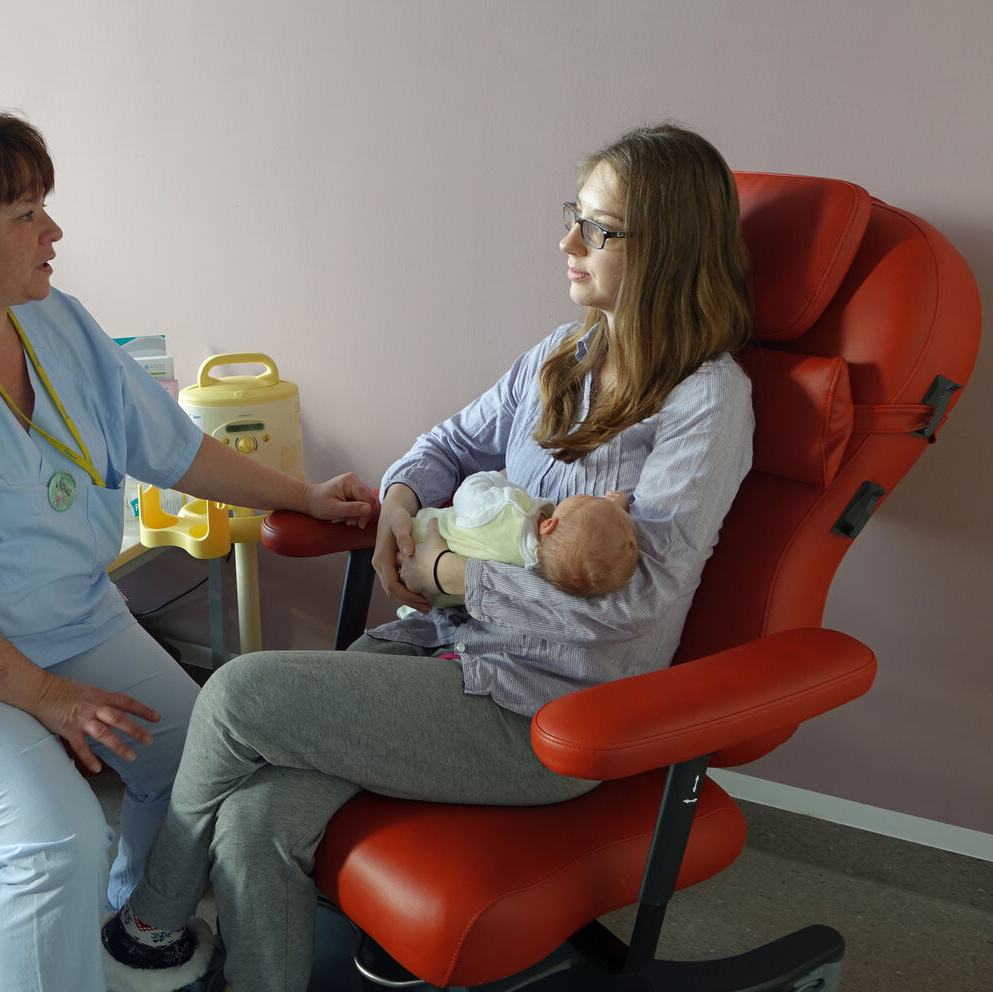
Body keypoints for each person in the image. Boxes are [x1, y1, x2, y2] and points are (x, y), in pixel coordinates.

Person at [100, 122, 755, 992]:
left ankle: (148, 926)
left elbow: (631, 607)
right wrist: (402, 501)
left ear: (667, 247)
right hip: (443, 655)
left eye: (598, 229)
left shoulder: (705, 402)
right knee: (256, 819)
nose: (567, 243)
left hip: (547, 712)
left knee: (237, 693)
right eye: (575, 216)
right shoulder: (561, 356)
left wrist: (448, 574)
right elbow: (446, 443)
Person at [0, 105, 376, 992]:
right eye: (24, 213)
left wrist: (303, 494)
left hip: (54, 615)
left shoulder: (50, 320)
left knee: (199, 757)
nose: (52, 230)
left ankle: (136, 922)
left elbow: (168, 444)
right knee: (55, 834)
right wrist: (46, 698)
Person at [410, 471, 638, 607]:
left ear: (549, 524)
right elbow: (592, 546)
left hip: (418, 535)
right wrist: (613, 510)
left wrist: (493, 478)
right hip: (436, 598)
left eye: (588, 497)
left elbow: (467, 493)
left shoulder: (509, 511)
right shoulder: (539, 574)